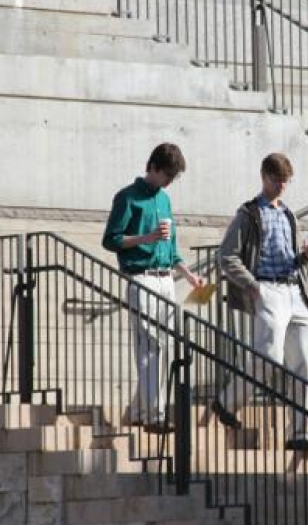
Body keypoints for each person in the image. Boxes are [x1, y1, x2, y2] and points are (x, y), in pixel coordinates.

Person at [211, 153, 308, 451]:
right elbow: (226, 256)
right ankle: (227, 402)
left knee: (303, 363)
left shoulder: (289, 215)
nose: (281, 187)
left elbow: (289, 257)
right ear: (264, 177)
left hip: (295, 291)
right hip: (267, 290)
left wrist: (306, 256)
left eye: (285, 182)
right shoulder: (249, 214)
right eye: (276, 181)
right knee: (269, 358)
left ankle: (298, 432)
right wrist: (251, 286)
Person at [102, 142, 204, 434]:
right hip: (141, 276)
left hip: (166, 279)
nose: (170, 181)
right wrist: (145, 238)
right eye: (168, 175)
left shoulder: (165, 200)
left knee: (162, 347)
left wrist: (189, 275)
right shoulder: (127, 198)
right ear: (154, 168)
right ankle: (155, 415)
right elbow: (111, 240)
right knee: (150, 348)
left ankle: (138, 410)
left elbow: (171, 248)